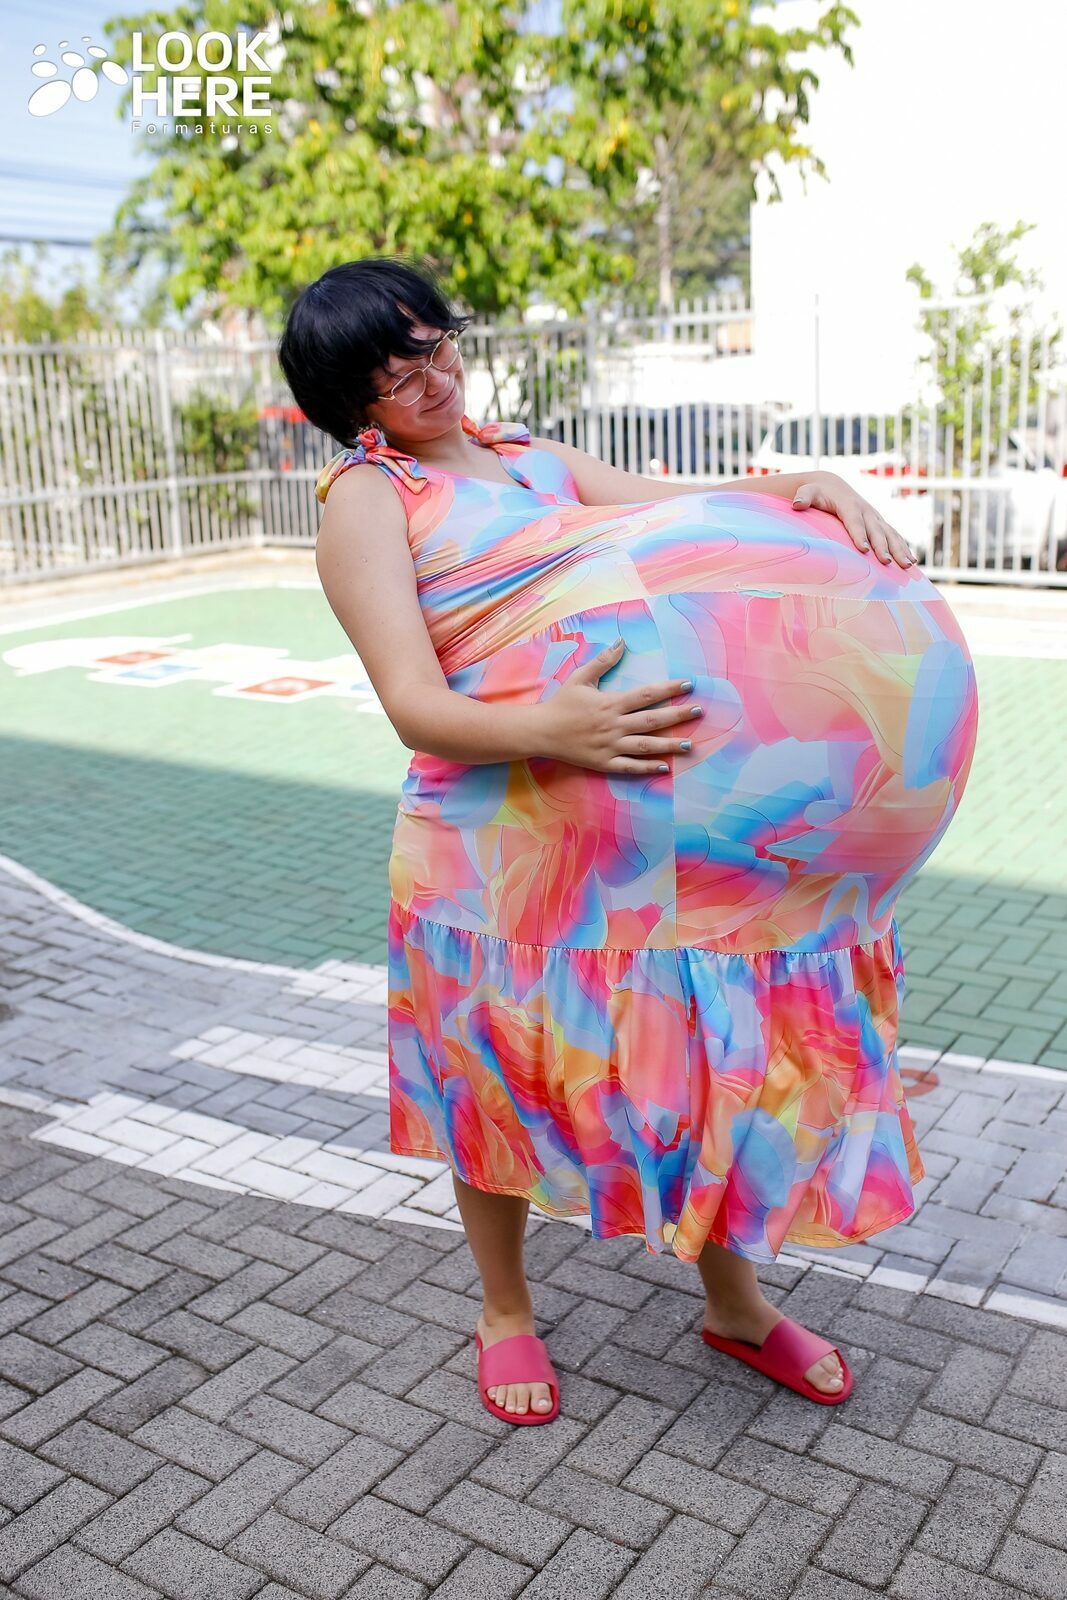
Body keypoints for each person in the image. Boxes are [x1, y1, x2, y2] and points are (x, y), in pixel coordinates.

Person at [280, 256, 979, 1426]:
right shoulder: (368, 499)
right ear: (349, 399)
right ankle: (503, 1309)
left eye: (434, 345)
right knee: (496, 1078)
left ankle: (734, 1304)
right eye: (394, 373)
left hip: (652, 866)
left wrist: (801, 486)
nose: (431, 378)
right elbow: (411, 700)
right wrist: (553, 728)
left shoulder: (530, 459)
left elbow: (679, 507)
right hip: (500, 851)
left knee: (707, 1064)